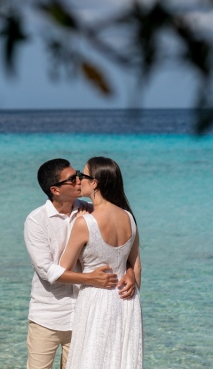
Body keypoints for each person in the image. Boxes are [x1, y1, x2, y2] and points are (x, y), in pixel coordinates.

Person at [24, 158, 136, 369]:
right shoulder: (36, 220)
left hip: (83, 314)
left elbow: (116, 251)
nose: (79, 180)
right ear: (55, 190)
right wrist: (90, 279)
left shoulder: (92, 210)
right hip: (48, 315)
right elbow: (46, 270)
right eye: (72, 179)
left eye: (78, 174)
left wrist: (128, 272)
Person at [60, 157, 143, 369]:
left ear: (94, 183)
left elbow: (63, 269)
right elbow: (136, 266)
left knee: (91, 358)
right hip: (127, 299)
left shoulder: (84, 222)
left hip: (95, 300)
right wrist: (131, 276)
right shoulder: (129, 217)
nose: (79, 180)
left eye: (83, 175)